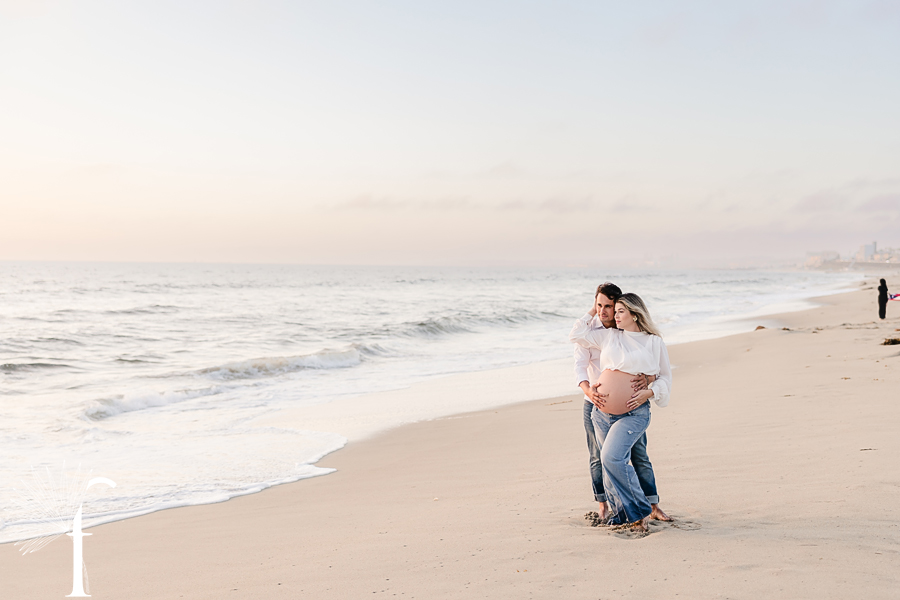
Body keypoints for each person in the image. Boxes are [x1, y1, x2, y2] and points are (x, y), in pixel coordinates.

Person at [569, 293, 672, 532]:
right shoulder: (610, 335)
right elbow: (576, 335)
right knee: (609, 464)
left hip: (634, 413)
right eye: (613, 311)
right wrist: (593, 310)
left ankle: (640, 508)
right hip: (601, 413)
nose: (614, 315)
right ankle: (624, 514)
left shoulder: (654, 342)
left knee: (612, 458)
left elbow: (666, 377)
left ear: (635, 314)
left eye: (620, 311)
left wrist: (650, 391)